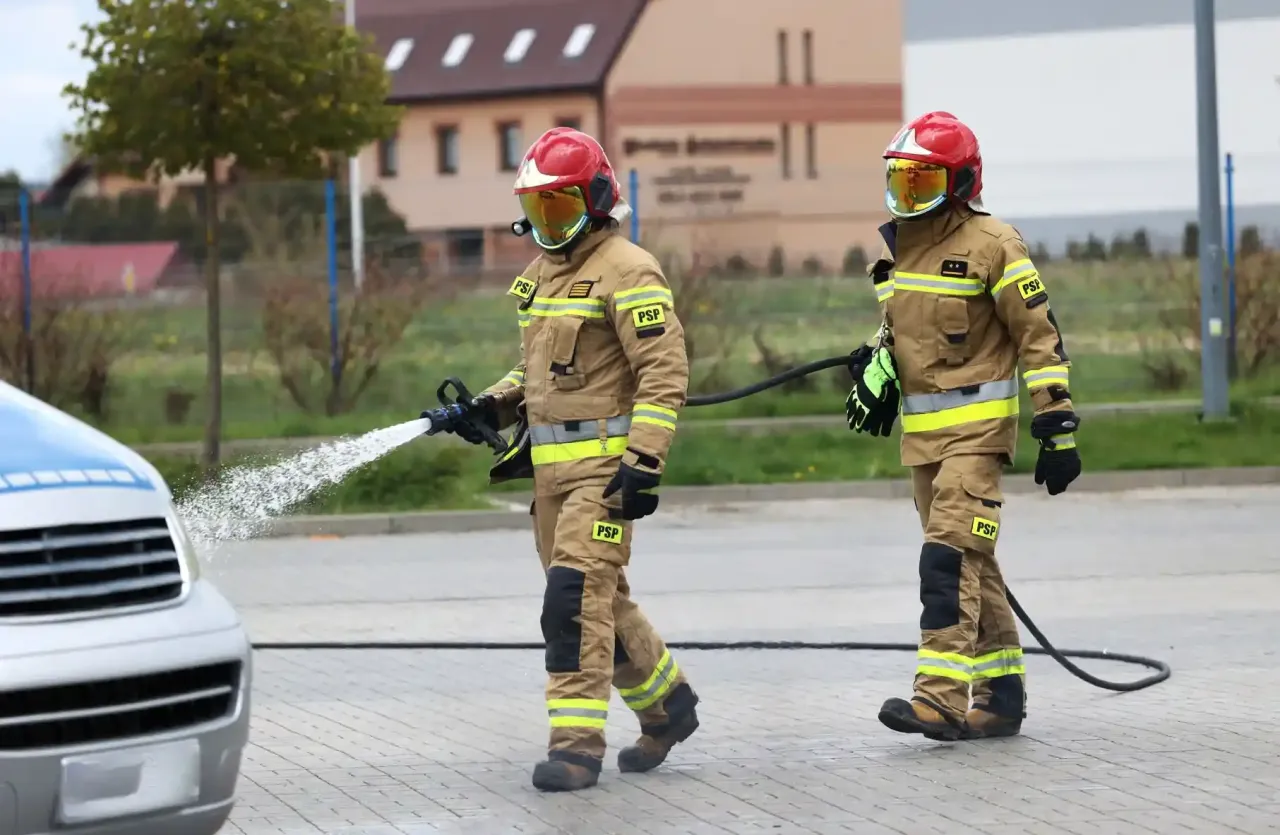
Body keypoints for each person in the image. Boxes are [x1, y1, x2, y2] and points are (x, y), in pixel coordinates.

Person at [432, 127, 700, 792]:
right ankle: (668, 707)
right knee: (600, 601)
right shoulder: (543, 275)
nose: (548, 225)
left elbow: (664, 374)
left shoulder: (630, 269)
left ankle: (576, 745)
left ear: (598, 199)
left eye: (561, 207)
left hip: (605, 477)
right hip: (551, 480)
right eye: (540, 209)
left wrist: (644, 461)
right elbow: (540, 373)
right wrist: (489, 407)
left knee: (572, 601)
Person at [845, 111, 1082, 742]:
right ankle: (1001, 698)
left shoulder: (995, 245)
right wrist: (875, 360)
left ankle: (940, 699)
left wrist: (1057, 426)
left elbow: (1040, 337)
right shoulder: (900, 251)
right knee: (974, 563)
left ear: (959, 183)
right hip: (923, 441)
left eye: (922, 183)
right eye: (901, 181)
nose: (908, 195)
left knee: (946, 561)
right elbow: (909, 333)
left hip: (979, 438)